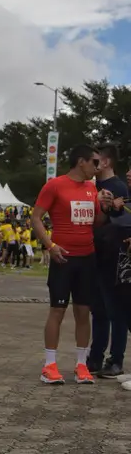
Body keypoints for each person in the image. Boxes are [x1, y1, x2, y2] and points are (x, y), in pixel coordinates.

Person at [31, 144, 113, 385]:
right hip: (63, 258)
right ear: (81, 162)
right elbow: (36, 218)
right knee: (57, 310)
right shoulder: (55, 185)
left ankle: (81, 365)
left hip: (87, 257)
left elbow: (96, 222)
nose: (97, 168)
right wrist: (50, 246)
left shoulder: (92, 188)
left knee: (83, 312)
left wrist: (104, 207)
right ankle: (49, 365)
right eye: (94, 163)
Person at [87, 144, 130, 377]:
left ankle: (116, 358)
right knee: (98, 309)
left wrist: (112, 208)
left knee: (117, 310)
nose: (93, 165)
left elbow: (122, 221)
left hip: (114, 254)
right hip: (95, 253)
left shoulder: (118, 187)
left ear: (107, 162)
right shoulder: (90, 186)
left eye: (97, 160)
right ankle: (95, 357)